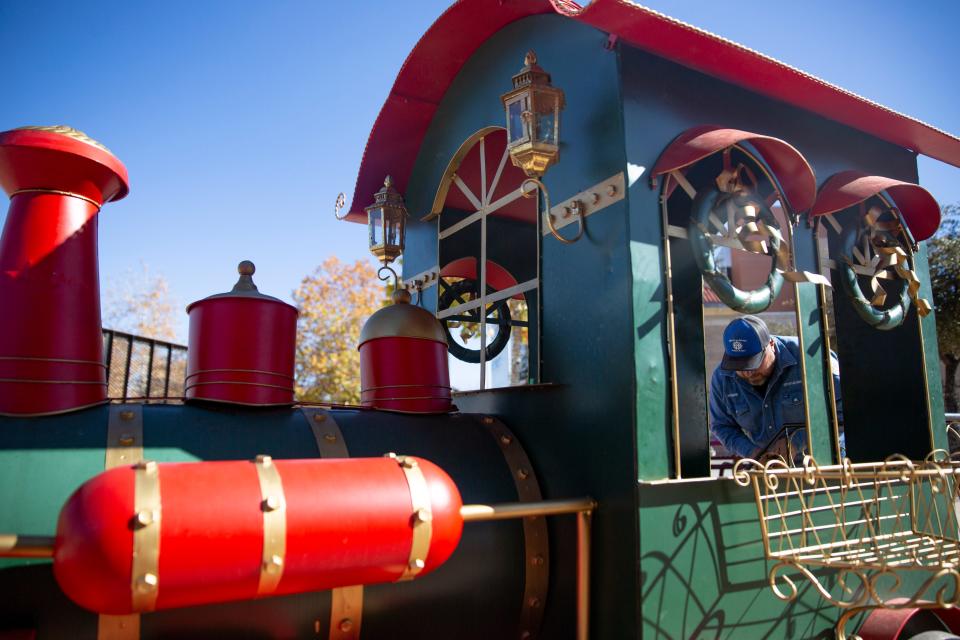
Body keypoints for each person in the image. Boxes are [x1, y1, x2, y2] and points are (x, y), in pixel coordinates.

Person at [709, 315, 842, 463]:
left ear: (771, 345)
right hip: (769, 473)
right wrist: (753, 452)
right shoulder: (722, 378)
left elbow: (842, 412)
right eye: (739, 366)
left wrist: (797, 441)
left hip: (823, 467)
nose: (748, 372)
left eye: (753, 363)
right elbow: (721, 426)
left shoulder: (812, 358)